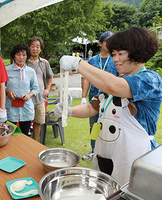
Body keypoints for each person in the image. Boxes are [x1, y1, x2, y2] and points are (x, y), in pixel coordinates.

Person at [55, 26, 162, 185]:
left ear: (137, 52)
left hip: (135, 157)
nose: (115, 59)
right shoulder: (115, 79)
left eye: (121, 54)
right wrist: (69, 111)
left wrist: (79, 64)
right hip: (105, 153)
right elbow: (93, 108)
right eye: (113, 54)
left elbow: (115, 87)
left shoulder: (150, 79)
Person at [81, 31, 118, 161]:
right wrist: (83, 97)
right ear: (100, 43)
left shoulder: (116, 60)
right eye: (108, 41)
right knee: (94, 125)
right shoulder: (92, 61)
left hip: (111, 101)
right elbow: (87, 79)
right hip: (94, 100)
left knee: (110, 125)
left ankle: (108, 152)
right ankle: (93, 149)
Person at [5, 43, 39, 135]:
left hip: (26, 109)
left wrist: (29, 95)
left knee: (24, 136)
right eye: (18, 54)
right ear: (14, 56)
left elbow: (36, 88)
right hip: (10, 109)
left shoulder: (31, 72)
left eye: (24, 55)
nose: (21, 57)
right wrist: (7, 91)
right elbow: (0, 87)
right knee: (9, 135)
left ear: (27, 56)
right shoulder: (6, 70)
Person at [27, 36, 54, 141]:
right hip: (27, 99)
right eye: (32, 46)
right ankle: (26, 143)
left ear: (40, 49)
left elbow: (50, 77)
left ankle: (35, 142)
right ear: (29, 47)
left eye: (37, 46)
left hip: (40, 99)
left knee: (38, 122)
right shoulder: (24, 62)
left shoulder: (44, 63)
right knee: (27, 122)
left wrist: (47, 89)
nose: (35, 49)